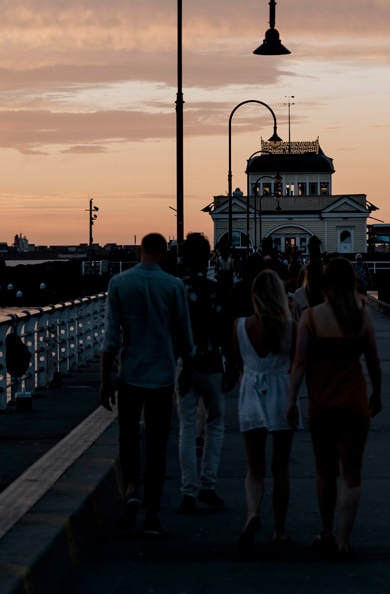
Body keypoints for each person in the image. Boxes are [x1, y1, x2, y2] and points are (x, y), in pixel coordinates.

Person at [287, 257, 382, 557]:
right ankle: (343, 540)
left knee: (324, 470)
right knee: (351, 472)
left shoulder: (311, 318)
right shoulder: (361, 316)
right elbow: (373, 362)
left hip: (322, 402)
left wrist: (290, 400)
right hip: (355, 402)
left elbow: (300, 363)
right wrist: (377, 393)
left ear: (325, 283)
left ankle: (326, 532)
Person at [100, 233, 194, 537]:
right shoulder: (174, 285)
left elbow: (111, 337)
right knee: (156, 445)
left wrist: (105, 380)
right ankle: (152, 514)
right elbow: (185, 334)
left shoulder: (119, 283)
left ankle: (131, 488)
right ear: (164, 254)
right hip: (163, 375)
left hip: (130, 373)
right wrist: (187, 370)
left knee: (127, 437)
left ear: (140, 250)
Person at [234, 269, 297, 552]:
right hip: (281, 392)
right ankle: (280, 530)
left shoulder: (239, 326)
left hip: (250, 391)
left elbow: (239, 364)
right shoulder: (290, 327)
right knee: (280, 467)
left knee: (254, 467)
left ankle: (252, 513)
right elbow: (296, 365)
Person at [176, 233, 231, 514]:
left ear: (184, 258)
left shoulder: (176, 290)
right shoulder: (217, 288)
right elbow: (226, 331)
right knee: (215, 423)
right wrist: (231, 366)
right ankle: (207, 486)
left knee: (187, 427)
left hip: (185, 366)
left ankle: (188, 491)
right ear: (207, 256)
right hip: (211, 363)